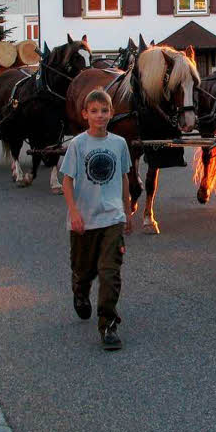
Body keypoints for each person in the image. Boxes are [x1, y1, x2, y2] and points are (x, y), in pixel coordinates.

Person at [61, 88, 133, 351]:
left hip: (112, 216)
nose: (100, 116)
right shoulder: (78, 145)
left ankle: (108, 324)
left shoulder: (119, 144)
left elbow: (125, 177)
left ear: (111, 113)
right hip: (84, 219)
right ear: (85, 114)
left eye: (104, 111)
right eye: (94, 111)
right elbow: (67, 181)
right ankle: (80, 290)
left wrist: (126, 211)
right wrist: (74, 212)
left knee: (110, 271)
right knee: (84, 269)